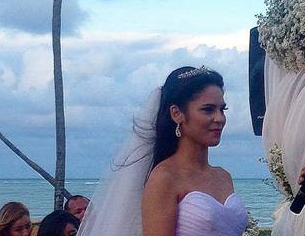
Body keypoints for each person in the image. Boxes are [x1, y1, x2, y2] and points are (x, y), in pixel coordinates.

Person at [77, 66, 247, 236]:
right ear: (177, 113)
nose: (219, 118)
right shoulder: (164, 178)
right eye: (208, 109)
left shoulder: (223, 176)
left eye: (222, 109)